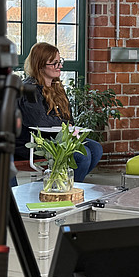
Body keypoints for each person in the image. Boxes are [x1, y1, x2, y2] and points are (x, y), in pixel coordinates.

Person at [15, 42, 102, 182]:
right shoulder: (28, 89)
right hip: (33, 143)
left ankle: (61, 184)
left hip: (55, 139)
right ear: (40, 65)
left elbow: (70, 120)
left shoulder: (57, 87)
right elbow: (39, 121)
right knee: (83, 155)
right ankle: (62, 187)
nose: (60, 66)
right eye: (54, 63)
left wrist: (63, 124)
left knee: (96, 149)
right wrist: (63, 124)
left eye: (60, 61)